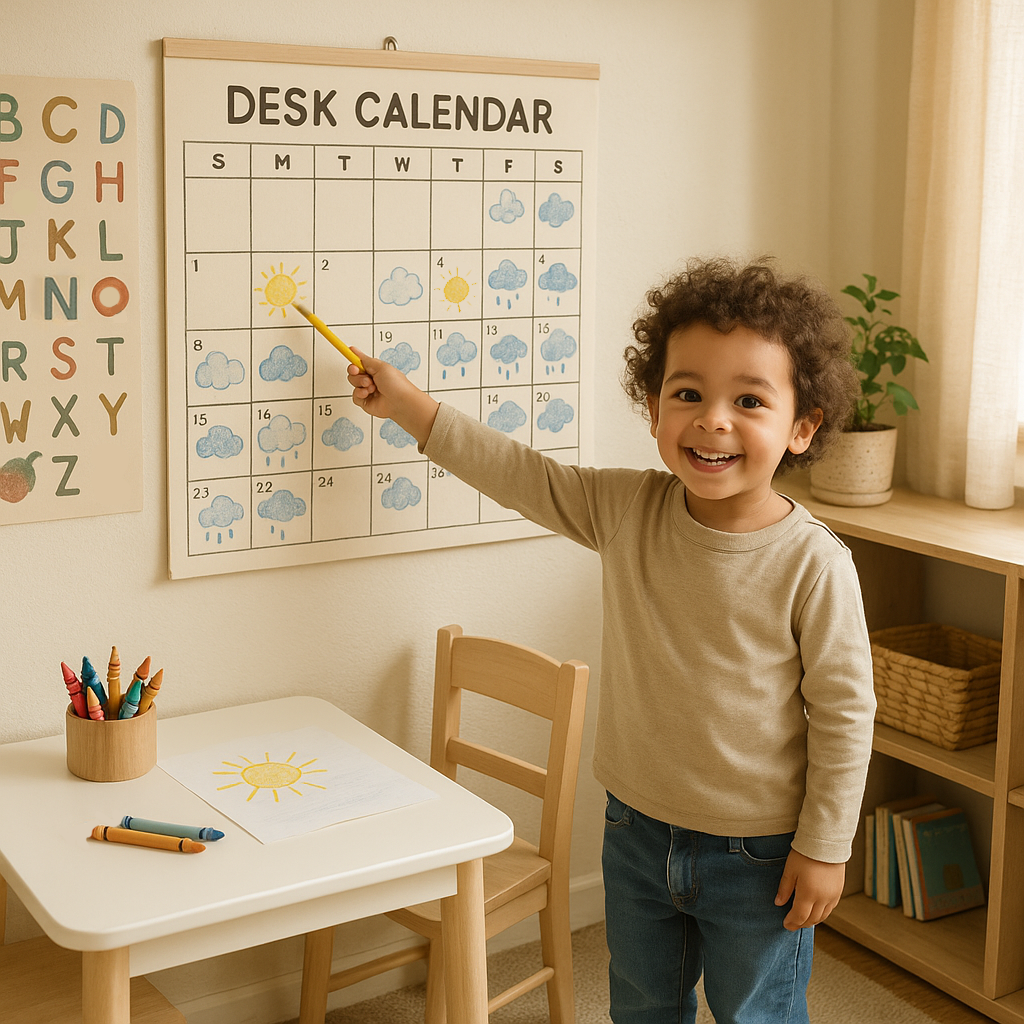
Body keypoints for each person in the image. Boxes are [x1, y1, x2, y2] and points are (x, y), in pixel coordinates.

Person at [347, 256, 876, 1024]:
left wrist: (826, 846)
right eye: (687, 393)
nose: (713, 419)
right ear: (653, 408)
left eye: (749, 400)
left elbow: (844, 713)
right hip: (635, 826)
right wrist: (411, 409)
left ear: (802, 428)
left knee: (755, 1013)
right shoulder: (627, 508)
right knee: (638, 1004)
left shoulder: (815, 563)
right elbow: (518, 473)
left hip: (757, 851)